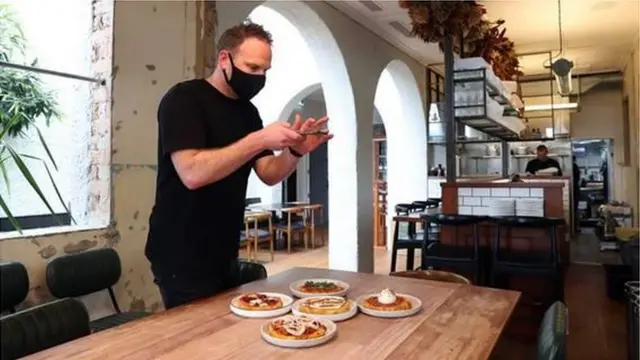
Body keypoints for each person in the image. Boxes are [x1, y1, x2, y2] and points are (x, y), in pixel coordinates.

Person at [145, 21, 332, 310]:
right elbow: (192, 173)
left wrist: (295, 151)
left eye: (265, 71)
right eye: (252, 67)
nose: (259, 77)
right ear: (224, 59)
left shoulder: (248, 113)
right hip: (180, 249)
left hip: (225, 247)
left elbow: (269, 173)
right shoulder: (184, 99)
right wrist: (257, 140)